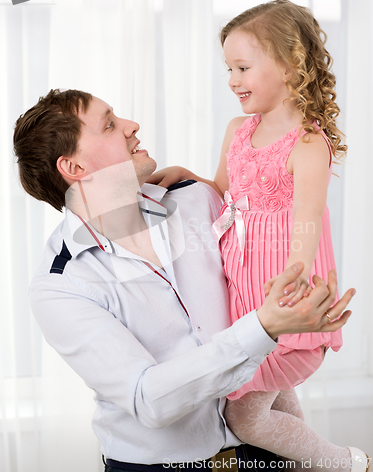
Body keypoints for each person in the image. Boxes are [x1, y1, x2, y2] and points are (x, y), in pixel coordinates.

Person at [13, 89, 353, 472]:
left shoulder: (197, 200)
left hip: (260, 454)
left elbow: (263, 261)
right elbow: (148, 399)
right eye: (109, 125)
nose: (131, 126)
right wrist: (264, 327)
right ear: (74, 168)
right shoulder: (61, 284)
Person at [148, 0, 369, 471]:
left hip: (278, 294)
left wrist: (293, 279)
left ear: (289, 67)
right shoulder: (237, 131)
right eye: (229, 68)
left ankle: (344, 462)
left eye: (243, 67)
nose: (232, 79)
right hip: (240, 295)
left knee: (246, 417)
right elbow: (224, 191)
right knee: (269, 398)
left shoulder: (308, 143)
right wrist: (191, 176)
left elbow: (308, 218)